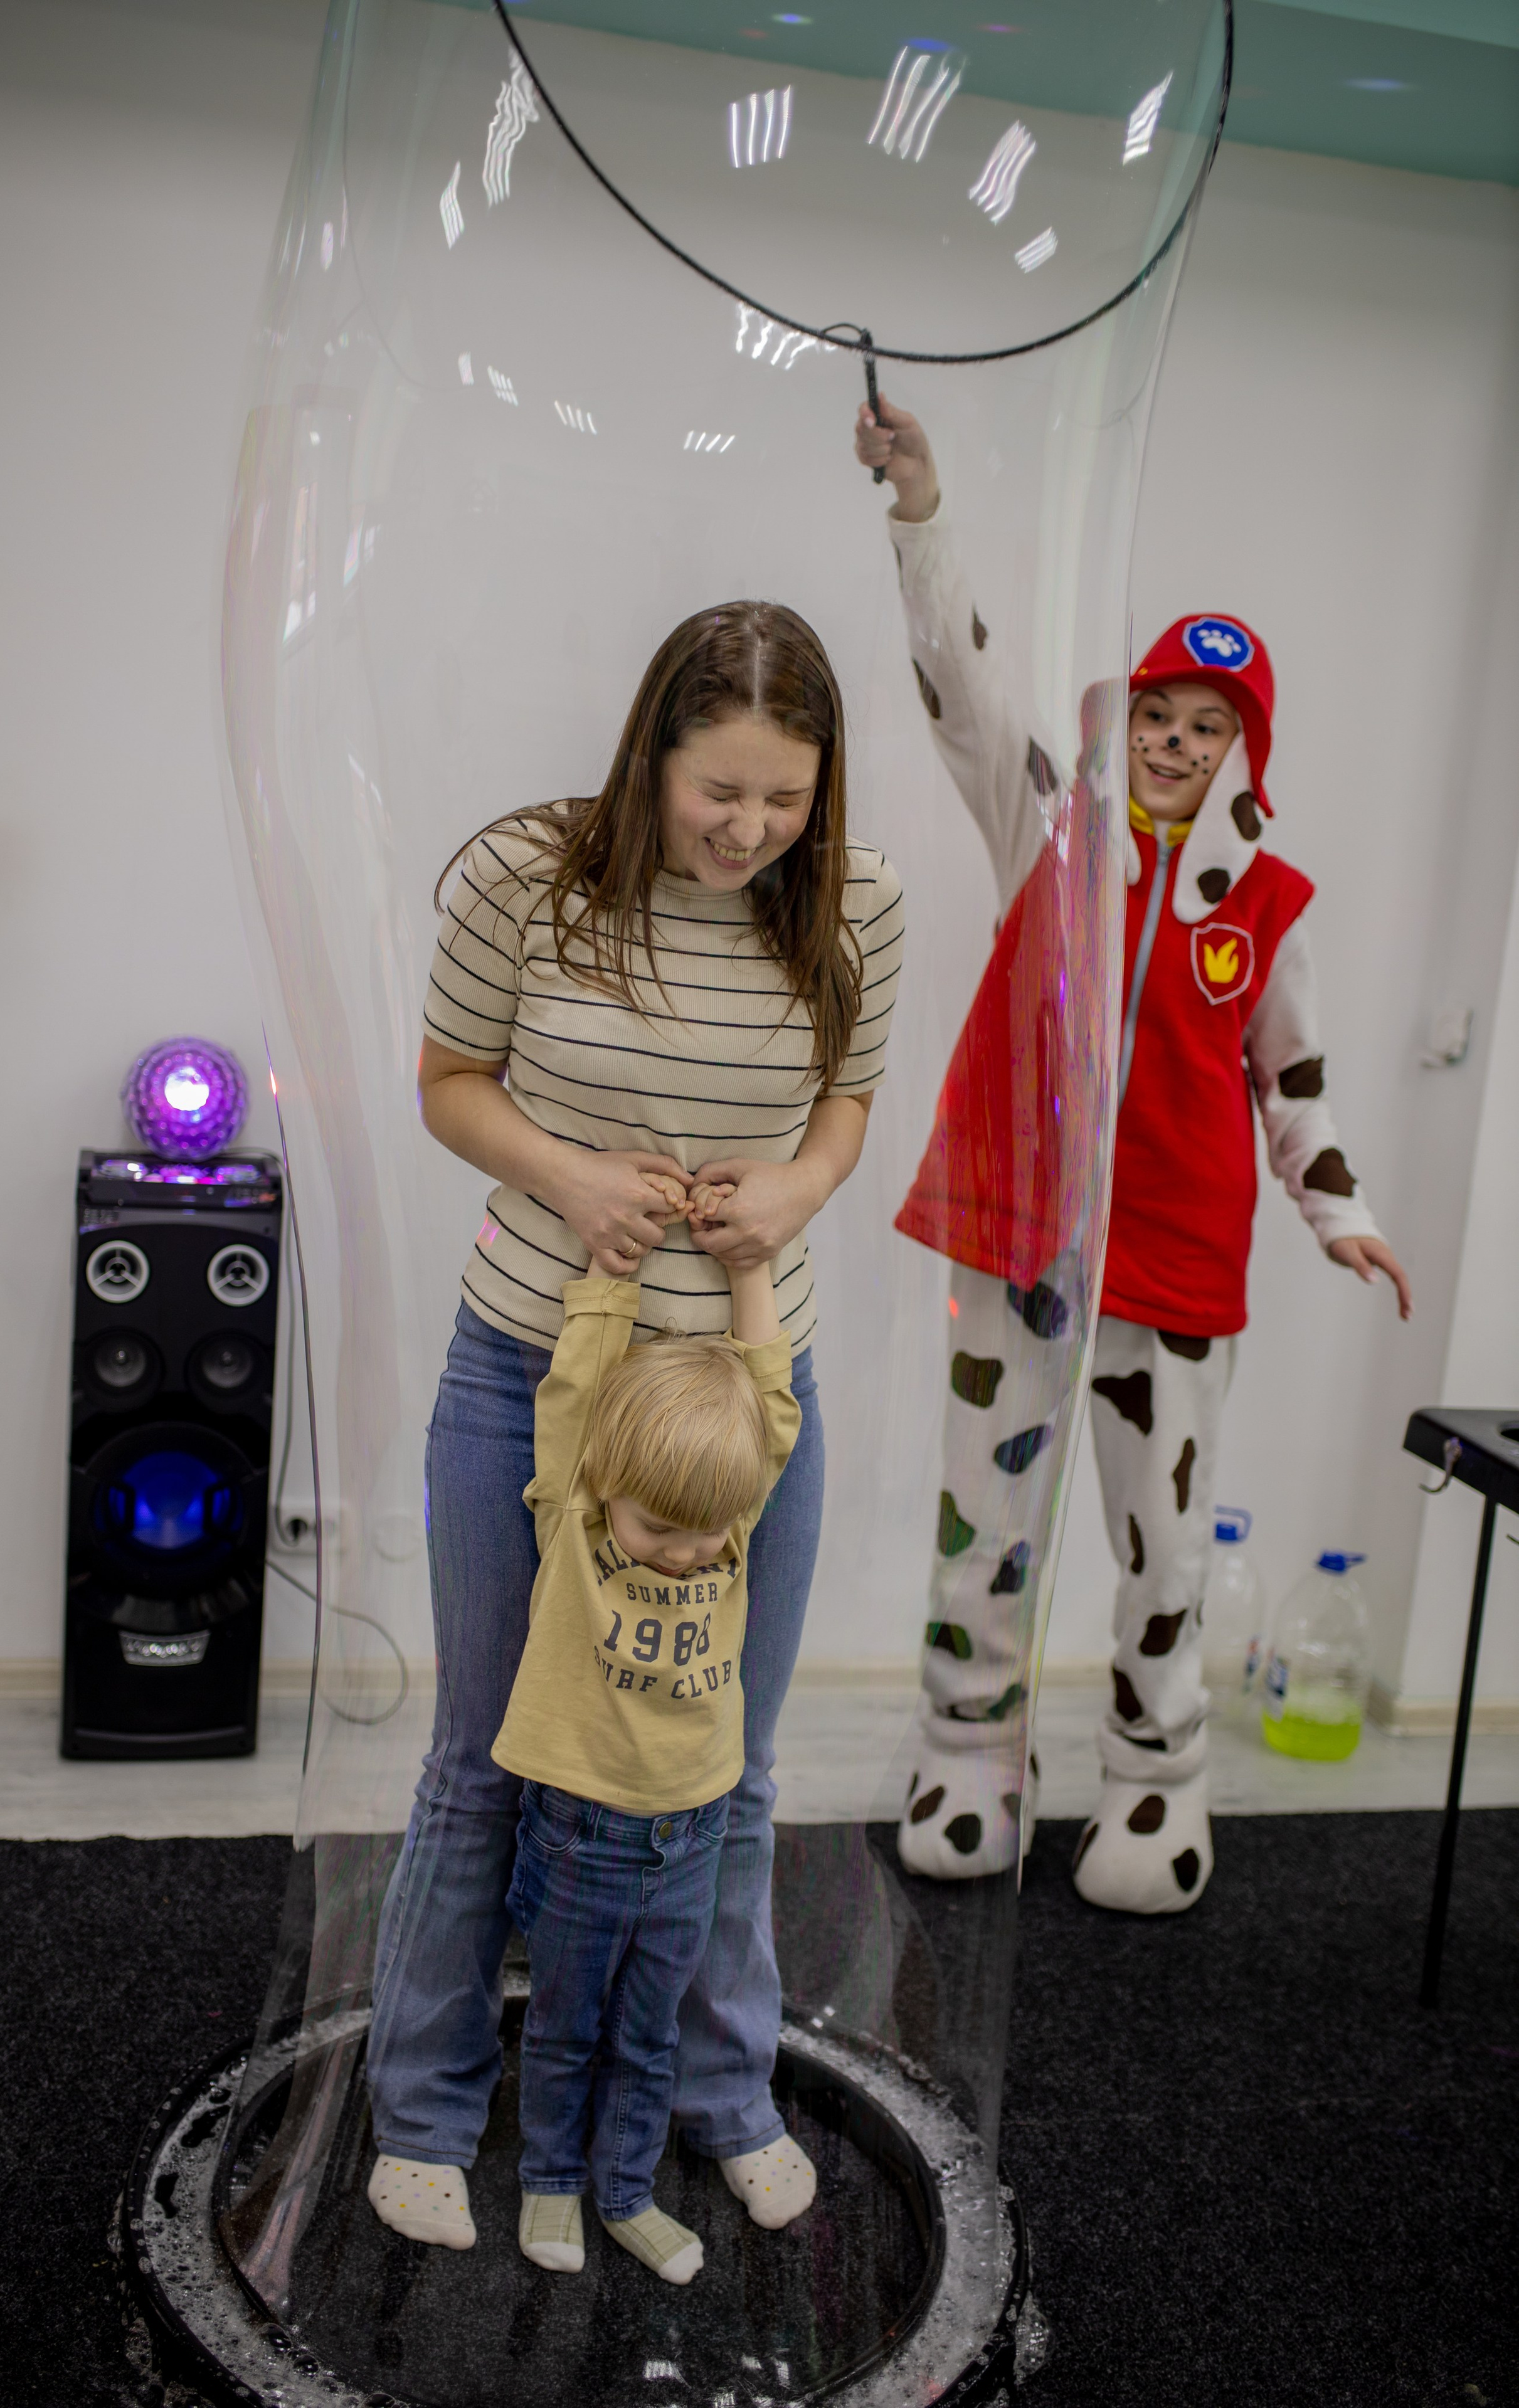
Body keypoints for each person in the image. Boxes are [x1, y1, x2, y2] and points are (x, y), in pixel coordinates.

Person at [364, 598, 904, 2241]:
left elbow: (847, 1109)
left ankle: (719, 2091)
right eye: (717, 792)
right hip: (532, 1375)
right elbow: (451, 1079)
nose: (751, 831)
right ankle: (425, 2114)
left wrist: (794, 1200)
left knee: (726, 1764)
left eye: (786, 800)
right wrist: (572, 1175)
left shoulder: (856, 905)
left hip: (746, 1402)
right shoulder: (523, 878)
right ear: (651, 755)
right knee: (485, 1759)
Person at [853, 397, 1410, 1914]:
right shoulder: (1047, 826)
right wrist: (921, 511)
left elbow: (1287, 1076)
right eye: (1154, 715)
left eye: (1204, 725)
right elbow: (959, 682)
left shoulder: (1266, 901)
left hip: (1172, 1256)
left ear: (1242, 747)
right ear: (1122, 723)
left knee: (1159, 1544)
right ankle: (966, 1757)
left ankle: (1157, 1791)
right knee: (988, 1513)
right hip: (1021, 1237)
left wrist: (1336, 1210)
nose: (1171, 742)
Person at [462, 1190, 802, 2284]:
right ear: (608, 1490)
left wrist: (756, 1269)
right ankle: (551, 2187)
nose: (686, 1556)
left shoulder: (724, 1517)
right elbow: (575, 1400)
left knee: (649, 2038)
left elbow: (769, 1402)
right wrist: (613, 1272)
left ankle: (625, 2195)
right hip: (578, 1834)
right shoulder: (576, 1506)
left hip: (691, 1837)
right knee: (564, 2033)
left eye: (708, 1535)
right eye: (660, 1529)